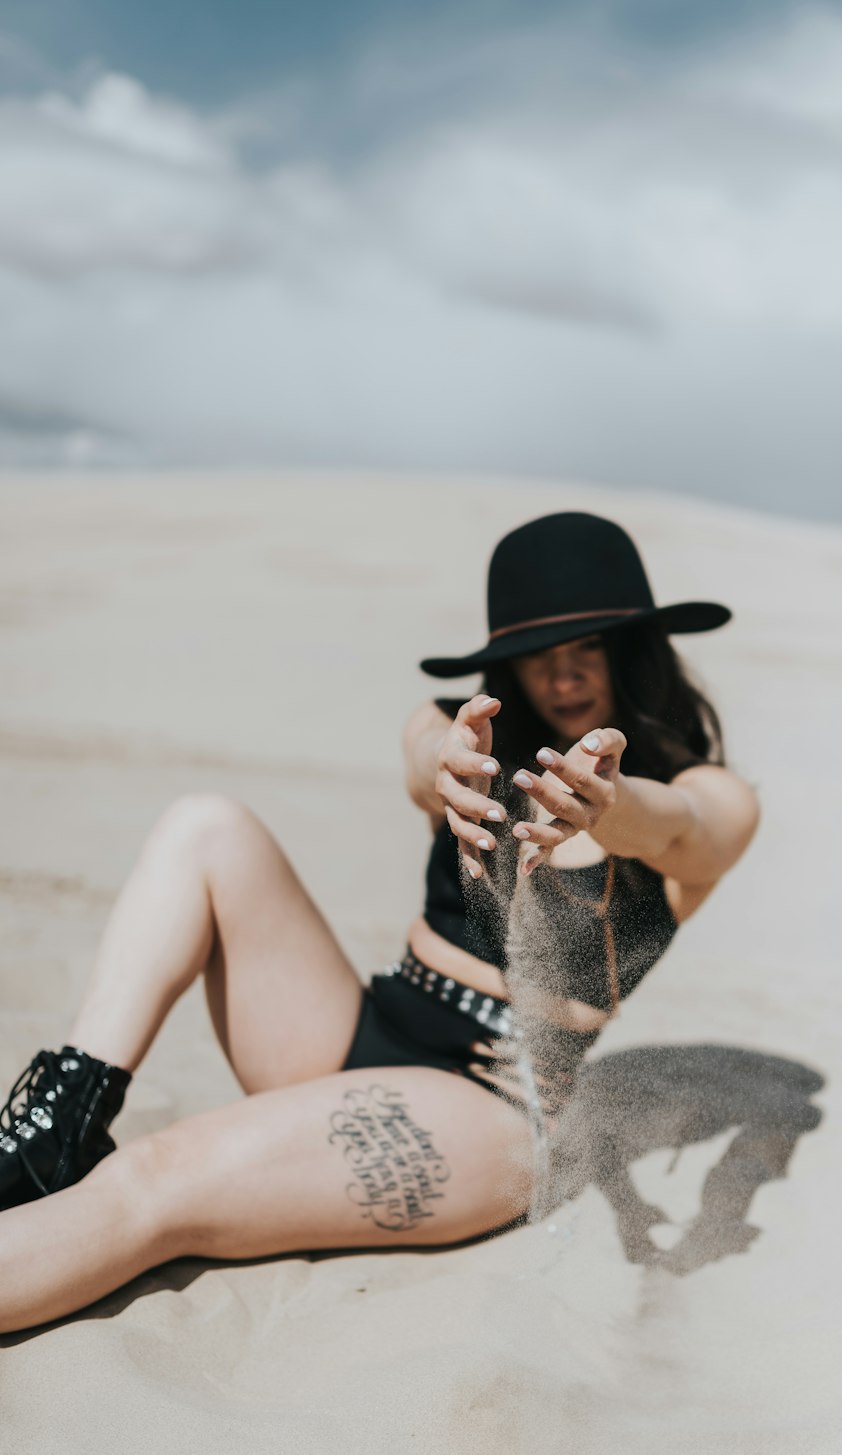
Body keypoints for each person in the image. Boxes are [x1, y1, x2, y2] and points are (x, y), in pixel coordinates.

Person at [0, 511, 760, 1333]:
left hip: (481, 1104)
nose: (565, 679)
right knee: (206, 824)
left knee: (157, 1179)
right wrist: (443, 766)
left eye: (588, 651)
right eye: (541, 659)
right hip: (350, 1030)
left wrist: (605, 806)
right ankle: (64, 1117)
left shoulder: (713, 796)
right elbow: (424, 744)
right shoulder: (470, 745)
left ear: (635, 652)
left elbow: (681, 827)